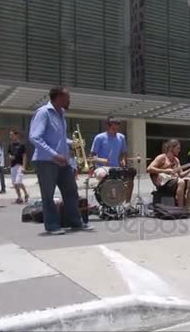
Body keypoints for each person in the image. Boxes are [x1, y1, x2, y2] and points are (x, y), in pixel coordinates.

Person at [29, 86, 93, 235]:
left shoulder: (61, 113)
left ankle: (76, 223)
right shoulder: (43, 113)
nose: (69, 100)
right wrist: (54, 155)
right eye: (67, 97)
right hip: (46, 161)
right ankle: (52, 226)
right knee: (48, 195)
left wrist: (73, 143)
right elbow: (35, 137)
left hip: (63, 162)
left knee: (71, 192)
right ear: (58, 97)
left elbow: (59, 138)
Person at [90, 116, 136, 213]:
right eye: (113, 128)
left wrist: (123, 160)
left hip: (116, 167)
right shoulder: (99, 138)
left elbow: (123, 153)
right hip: (102, 167)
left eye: (117, 129)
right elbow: (92, 157)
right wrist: (102, 160)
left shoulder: (121, 137)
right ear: (108, 126)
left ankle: (127, 204)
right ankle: (108, 203)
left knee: (130, 175)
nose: (115, 131)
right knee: (105, 175)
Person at [147, 139, 190, 209]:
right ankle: (180, 208)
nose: (179, 150)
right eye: (178, 148)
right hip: (163, 183)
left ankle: (187, 207)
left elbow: (181, 174)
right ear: (171, 148)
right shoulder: (162, 157)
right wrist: (165, 171)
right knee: (181, 182)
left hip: (174, 181)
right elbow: (149, 169)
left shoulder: (176, 160)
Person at [8, 129, 30, 204]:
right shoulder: (10, 145)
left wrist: (24, 166)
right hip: (13, 165)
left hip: (20, 165)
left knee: (18, 182)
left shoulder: (22, 145)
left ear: (17, 135)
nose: (10, 137)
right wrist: (10, 156)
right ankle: (20, 197)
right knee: (15, 183)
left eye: (12, 135)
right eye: (10, 135)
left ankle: (23, 194)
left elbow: (24, 156)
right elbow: (9, 153)